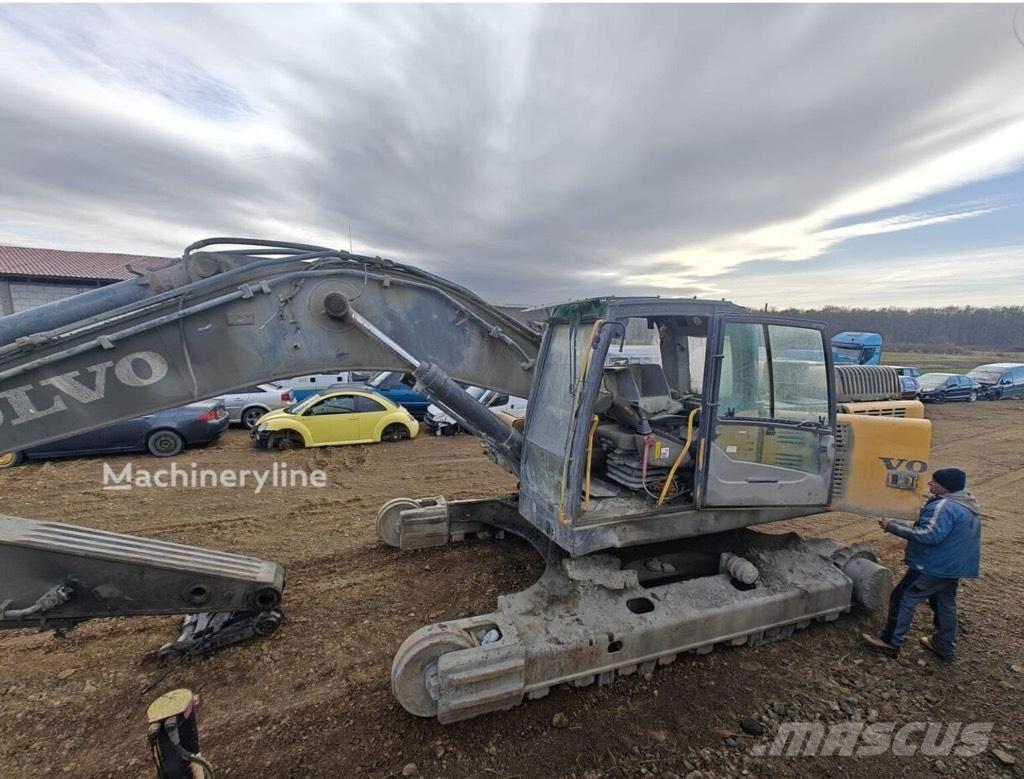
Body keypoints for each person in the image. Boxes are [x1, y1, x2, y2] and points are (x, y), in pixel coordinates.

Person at [862, 467, 981, 662]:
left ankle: (889, 642)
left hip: (933, 566)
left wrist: (892, 526)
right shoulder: (966, 503)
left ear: (945, 487)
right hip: (953, 566)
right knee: (944, 602)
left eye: (934, 481)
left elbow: (930, 535)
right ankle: (943, 645)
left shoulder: (944, 506)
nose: (929, 484)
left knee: (903, 597)